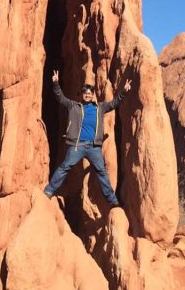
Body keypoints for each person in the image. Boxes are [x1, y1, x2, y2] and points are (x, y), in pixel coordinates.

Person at [43, 69, 131, 207]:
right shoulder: (74, 106)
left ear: (93, 96)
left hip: (93, 147)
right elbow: (61, 98)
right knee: (64, 167)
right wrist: (55, 84)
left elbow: (114, 104)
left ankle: (112, 201)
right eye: (86, 94)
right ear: (82, 95)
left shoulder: (100, 108)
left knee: (102, 172)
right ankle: (49, 191)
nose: (88, 96)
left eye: (90, 94)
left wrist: (124, 92)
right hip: (77, 146)